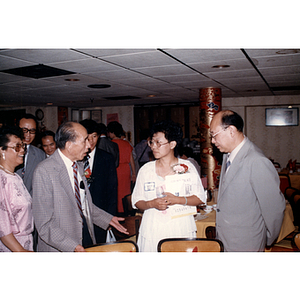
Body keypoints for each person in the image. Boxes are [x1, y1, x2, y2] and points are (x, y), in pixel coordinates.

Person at [32, 121, 128, 252]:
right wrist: (72, 246)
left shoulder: (78, 165)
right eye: (84, 141)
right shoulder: (44, 171)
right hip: (61, 246)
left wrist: (108, 219)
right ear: (69, 145)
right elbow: (44, 224)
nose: (89, 145)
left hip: (84, 237)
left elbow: (83, 204)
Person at [210, 110, 285, 251]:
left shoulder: (256, 161)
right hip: (226, 239)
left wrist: (267, 238)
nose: (212, 141)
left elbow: (274, 208)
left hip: (246, 242)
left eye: (214, 135)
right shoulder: (228, 155)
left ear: (231, 130)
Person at [131, 120, 206, 252]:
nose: (153, 146)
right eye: (152, 142)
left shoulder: (187, 167)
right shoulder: (146, 170)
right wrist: (152, 204)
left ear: (172, 144)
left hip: (180, 227)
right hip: (152, 228)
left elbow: (200, 198)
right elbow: (137, 201)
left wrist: (177, 200)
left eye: (158, 143)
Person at [79, 119, 118, 243]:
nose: (90, 141)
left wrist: (110, 217)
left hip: (101, 212)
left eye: (94, 136)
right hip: (79, 215)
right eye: (87, 137)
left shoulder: (106, 158)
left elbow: (112, 189)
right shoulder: (76, 158)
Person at [0, 126, 34, 252]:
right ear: (2, 150)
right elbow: (2, 226)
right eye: (17, 147)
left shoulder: (15, 177)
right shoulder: (1, 179)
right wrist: (21, 252)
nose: (22, 151)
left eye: (23, 147)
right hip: (13, 247)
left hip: (25, 242)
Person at [107, 121, 136, 215]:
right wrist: (134, 173)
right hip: (126, 170)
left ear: (112, 132)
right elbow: (132, 161)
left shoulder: (110, 144)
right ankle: (126, 210)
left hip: (115, 170)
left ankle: (117, 211)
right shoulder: (127, 144)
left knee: (116, 192)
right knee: (125, 191)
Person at [15, 114, 46, 195]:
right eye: (24, 130)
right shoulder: (5, 151)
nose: (28, 135)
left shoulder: (40, 155)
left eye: (32, 131)